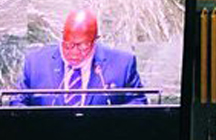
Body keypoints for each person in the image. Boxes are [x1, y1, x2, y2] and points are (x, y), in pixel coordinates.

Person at [14, 9, 147, 107]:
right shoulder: (35, 62)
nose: (74, 52)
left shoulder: (123, 64)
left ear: (95, 40)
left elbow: (139, 103)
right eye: (69, 45)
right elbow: (17, 102)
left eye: (83, 46)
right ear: (62, 36)